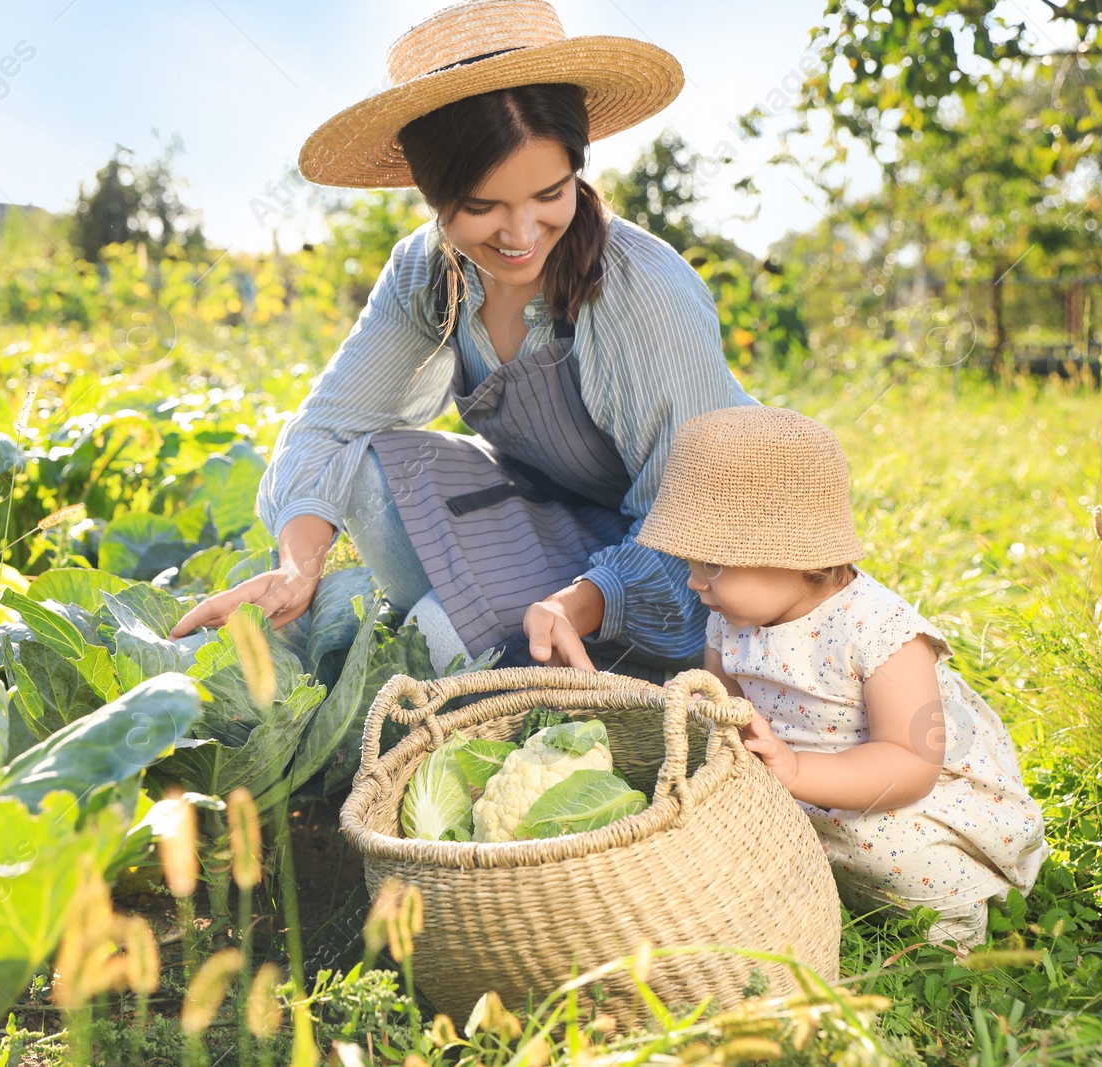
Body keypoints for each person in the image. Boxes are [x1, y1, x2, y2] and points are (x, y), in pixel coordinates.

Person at [171, 0, 755, 683]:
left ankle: (567, 662)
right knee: (366, 471)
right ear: (433, 193)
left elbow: (699, 516)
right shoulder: (425, 272)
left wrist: (582, 601)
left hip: (697, 564)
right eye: (482, 207)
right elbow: (329, 426)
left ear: (576, 167)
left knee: (440, 642)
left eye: (550, 193)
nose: (521, 233)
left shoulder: (640, 291)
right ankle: (509, 653)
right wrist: (298, 567)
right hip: (557, 520)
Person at [636, 405, 1048, 946]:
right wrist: (714, 720)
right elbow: (732, 706)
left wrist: (797, 771)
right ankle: (798, 876)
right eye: (689, 563)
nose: (695, 584)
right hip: (793, 789)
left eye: (710, 565)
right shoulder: (729, 621)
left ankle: (951, 924)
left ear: (791, 553)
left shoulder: (878, 631)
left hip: (891, 795)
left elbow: (910, 762)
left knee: (896, 852)